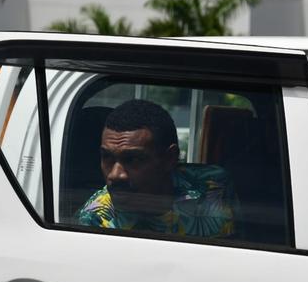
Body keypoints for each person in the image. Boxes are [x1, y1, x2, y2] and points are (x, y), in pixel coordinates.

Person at [76, 99, 236, 238]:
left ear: (169, 159)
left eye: (133, 160)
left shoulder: (212, 185)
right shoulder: (95, 219)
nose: (115, 175)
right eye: (107, 157)